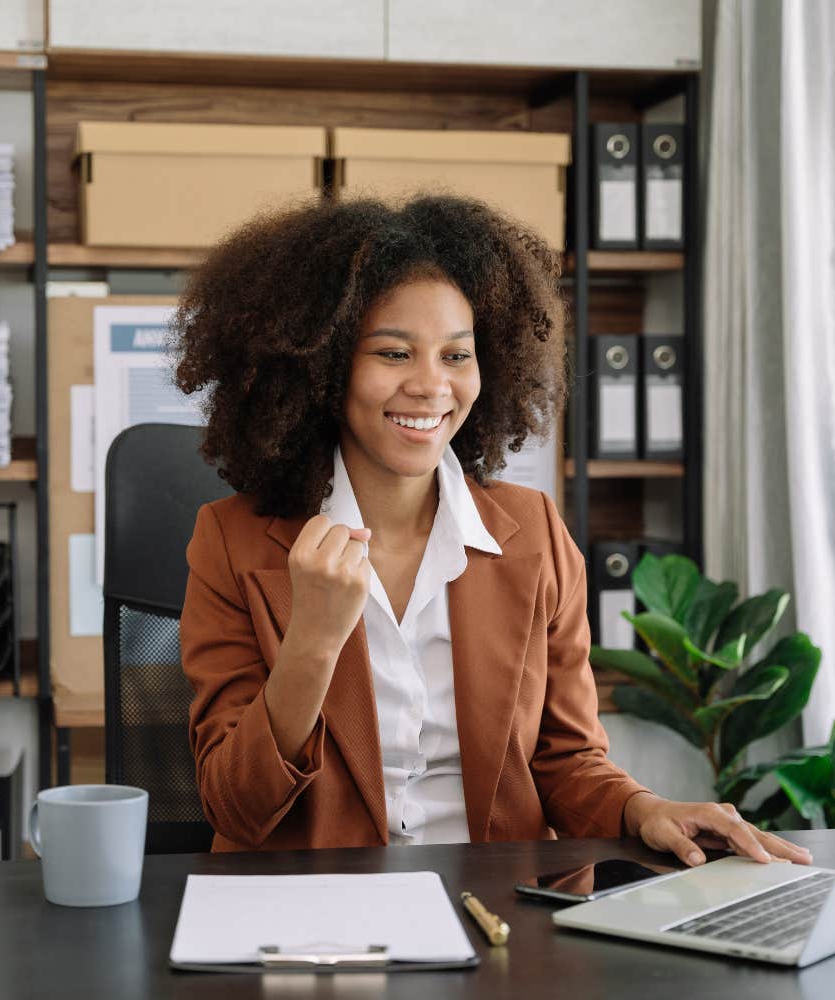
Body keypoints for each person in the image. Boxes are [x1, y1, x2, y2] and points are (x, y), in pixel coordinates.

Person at [173, 193, 811, 867]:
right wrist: (311, 643)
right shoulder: (233, 543)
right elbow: (234, 807)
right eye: (393, 353)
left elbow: (567, 761)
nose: (431, 386)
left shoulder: (532, 535)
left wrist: (646, 810)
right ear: (322, 371)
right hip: (319, 915)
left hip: (498, 911)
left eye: (456, 355)